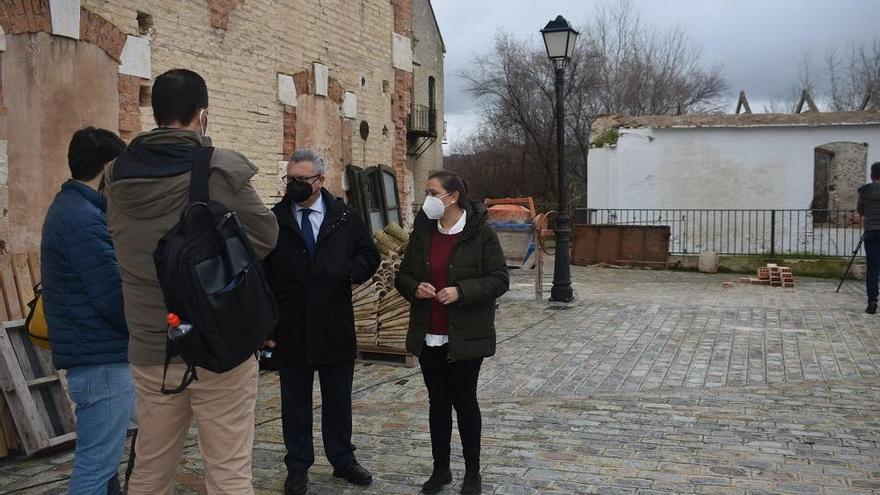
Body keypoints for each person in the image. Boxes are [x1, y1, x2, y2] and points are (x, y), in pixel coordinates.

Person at [103, 69, 278, 495]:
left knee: (149, 469)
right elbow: (265, 236)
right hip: (219, 343)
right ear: (203, 114)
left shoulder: (114, 175)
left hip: (151, 345)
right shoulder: (216, 169)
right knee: (228, 472)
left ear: (154, 110)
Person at [262, 149, 380, 495]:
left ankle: (343, 460)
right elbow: (263, 275)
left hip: (334, 323)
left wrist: (347, 272)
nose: (296, 186)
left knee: (338, 399)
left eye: (302, 180)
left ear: (320, 181)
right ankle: (298, 466)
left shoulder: (344, 217)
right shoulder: (276, 219)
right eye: (291, 180)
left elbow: (368, 255)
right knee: (295, 402)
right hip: (292, 326)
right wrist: (268, 330)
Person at [395, 170, 509, 495]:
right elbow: (403, 276)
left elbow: (500, 279)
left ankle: (472, 472)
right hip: (429, 333)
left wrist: (461, 291)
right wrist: (415, 287)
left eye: (433, 192)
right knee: (437, 403)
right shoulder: (423, 232)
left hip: (465, 335)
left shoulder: (481, 234)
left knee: (465, 402)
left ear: (453, 196)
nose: (428, 198)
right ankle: (440, 470)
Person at [40, 127, 132, 495]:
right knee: (96, 468)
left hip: (98, 357)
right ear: (109, 167)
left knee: (104, 468)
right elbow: (113, 298)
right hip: (102, 361)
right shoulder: (82, 218)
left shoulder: (77, 209)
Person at [858, 161, 880, 314]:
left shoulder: (864, 191)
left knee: (873, 268)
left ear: (872, 175)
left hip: (871, 231)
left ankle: (872, 301)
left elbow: (860, 211)